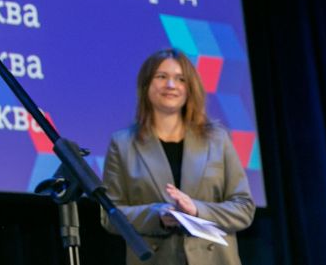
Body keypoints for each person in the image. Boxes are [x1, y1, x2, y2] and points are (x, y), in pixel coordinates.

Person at [101, 48, 255, 265]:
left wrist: (197, 209)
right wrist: (156, 215)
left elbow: (244, 208)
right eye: (161, 76)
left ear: (190, 88)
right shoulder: (122, 143)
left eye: (180, 79)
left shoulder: (217, 139)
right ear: (146, 85)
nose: (171, 85)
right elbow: (110, 216)